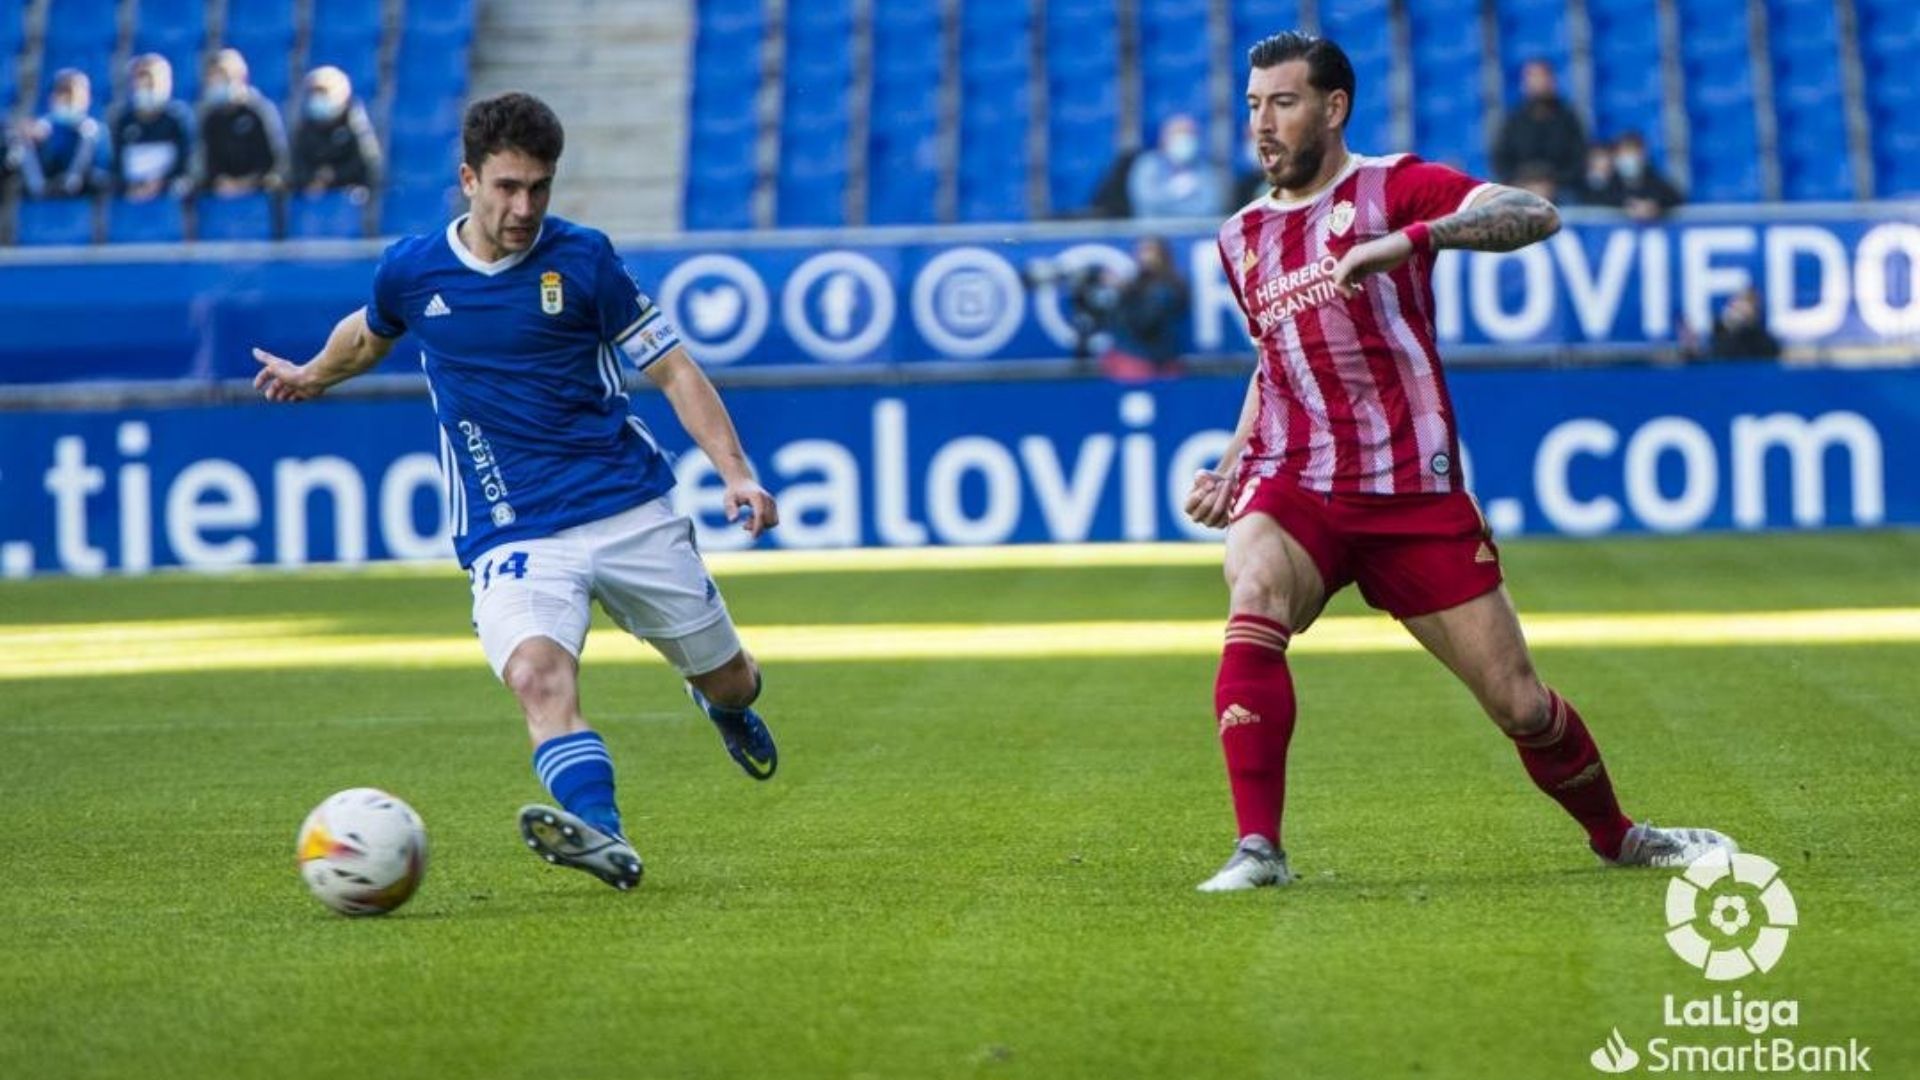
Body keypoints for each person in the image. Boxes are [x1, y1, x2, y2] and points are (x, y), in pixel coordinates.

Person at [1186, 32, 1737, 892]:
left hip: (1410, 494)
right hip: (1298, 482)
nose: (1262, 123)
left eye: (1283, 103)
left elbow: (1534, 212)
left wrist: (1412, 240)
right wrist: (1231, 464)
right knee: (1251, 589)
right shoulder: (1241, 236)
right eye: (1254, 104)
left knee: (1521, 703)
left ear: (1333, 109)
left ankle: (1620, 836)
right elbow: (1275, 359)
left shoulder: (1392, 186)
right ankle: (1259, 849)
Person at [252, 93, 782, 892]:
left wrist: (735, 471)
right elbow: (368, 333)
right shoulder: (414, 269)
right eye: (506, 187)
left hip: (626, 507)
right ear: (469, 179)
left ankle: (724, 705)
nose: (523, 206)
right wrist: (313, 374)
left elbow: (671, 368)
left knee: (731, 675)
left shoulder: (587, 262)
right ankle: (603, 833)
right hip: (512, 529)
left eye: (538, 187)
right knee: (537, 675)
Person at [196, 49, 288, 195]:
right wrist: (221, 182)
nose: (217, 83)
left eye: (223, 77)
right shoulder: (210, 118)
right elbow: (206, 163)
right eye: (213, 78)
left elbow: (276, 158)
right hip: (222, 193)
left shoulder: (259, 111)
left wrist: (249, 182)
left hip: (260, 190)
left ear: (241, 78)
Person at [1491, 59, 1586, 195]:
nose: (1537, 82)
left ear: (1552, 81)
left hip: (1561, 189)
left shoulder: (1568, 118)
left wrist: (1553, 184)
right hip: (1520, 188)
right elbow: (1500, 159)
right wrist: (1521, 183)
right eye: (1532, 77)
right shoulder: (1514, 119)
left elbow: (1578, 159)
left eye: (1542, 76)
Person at [107, 54, 195, 200]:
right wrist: (131, 188)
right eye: (141, 80)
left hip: (168, 195)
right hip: (131, 196)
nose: (146, 86)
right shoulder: (123, 121)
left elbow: (186, 165)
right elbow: (117, 166)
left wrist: (161, 184)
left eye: (152, 81)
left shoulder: (178, 119)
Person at [1105, 235, 1190, 377]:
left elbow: (1146, 321)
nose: (1143, 256)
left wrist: (1126, 292)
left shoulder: (1169, 287)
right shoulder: (1136, 283)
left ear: (1162, 255)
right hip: (1128, 357)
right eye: (1140, 251)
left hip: (1151, 361)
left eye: (1149, 251)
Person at [290, 65, 382, 196]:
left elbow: (366, 164)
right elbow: (298, 163)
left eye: (322, 93)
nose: (317, 100)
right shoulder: (306, 126)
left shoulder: (356, 124)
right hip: (314, 196)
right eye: (314, 94)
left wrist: (334, 176)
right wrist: (312, 180)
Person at [17, 69, 104, 199]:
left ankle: (68, 185)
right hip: (46, 181)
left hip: (81, 187)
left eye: (72, 94)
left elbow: (101, 164)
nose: (66, 99)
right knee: (23, 142)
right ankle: (38, 189)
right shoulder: (45, 123)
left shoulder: (93, 128)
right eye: (62, 93)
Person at [1128, 113, 1224, 219]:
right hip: (1153, 233)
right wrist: (1172, 192)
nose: (1185, 139)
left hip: (1193, 232)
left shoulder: (1204, 170)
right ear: (1164, 138)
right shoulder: (1147, 164)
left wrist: (1164, 203)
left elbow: (1209, 207)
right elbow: (1146, 202)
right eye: (1180, 134)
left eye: (1190, 134)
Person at [1606, 131, 1684, 221]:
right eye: (1623, 152)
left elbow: (1677, 200)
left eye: (1632, 152)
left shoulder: (1655, 180)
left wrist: (1655, 206)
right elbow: (1600, 201)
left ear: (1643, 154)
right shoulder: (1610, 182)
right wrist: (1626, 206)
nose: (1627, 156)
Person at [1706, 287, 1781, 360]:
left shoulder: (1763, 342)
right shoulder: (1715, 334)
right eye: (1737, 301)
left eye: (1747, 302)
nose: (1740, 305)